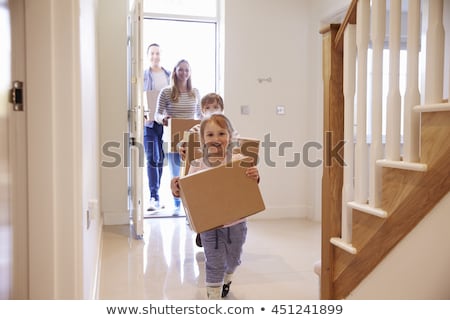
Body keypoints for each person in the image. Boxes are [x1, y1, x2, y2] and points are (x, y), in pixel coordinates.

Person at [170, 114, 260, 300]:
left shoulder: (239, 160)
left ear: (230, 137)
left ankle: (228, 278)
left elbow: (250, 186)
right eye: (210, 135)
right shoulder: (197, 165)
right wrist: (176, 188)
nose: (216, 139)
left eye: (221, 133)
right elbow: (186, 193)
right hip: (210, 226)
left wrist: (254, 175)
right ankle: (213, 297)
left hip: (236, 222)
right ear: (203, 140)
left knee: (233, 259)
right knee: (214, 261)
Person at [177, 92, 225, 248]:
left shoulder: (227, 129)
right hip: (202, 173)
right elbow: (185, 141)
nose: (212, 111)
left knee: (220, 204)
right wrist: (182, 148)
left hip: (220, 174)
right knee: (204, 204)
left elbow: (237, 144)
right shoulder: (198, 128)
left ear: (222, 109)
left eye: (216, 107)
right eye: (208, 108)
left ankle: (220, 234)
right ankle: (202, 232)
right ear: (202, 111)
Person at [155, 59, 201, 213]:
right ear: (175, 71)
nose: (184, 73)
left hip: (191, 140)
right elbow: (157, 114)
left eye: (186, 70)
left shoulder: (195, 92)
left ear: (190, 72)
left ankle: (189, 209)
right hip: (173, 138)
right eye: (180, 70)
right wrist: (163, 119)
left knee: (190, 174)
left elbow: (200, 115)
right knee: (177, 175)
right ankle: (177, 206)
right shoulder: (166, 92)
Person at [143, 43, 170, 211]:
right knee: (152, 157)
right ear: (148, 56)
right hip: (149, 123)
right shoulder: (144, 75)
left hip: (165, 124)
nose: (155, 56)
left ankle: (157, 195)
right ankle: (154, 196)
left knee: (161, 159)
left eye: (157, 53)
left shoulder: (168, 75)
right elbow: (138, 94)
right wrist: (142, 113)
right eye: (152, 53)